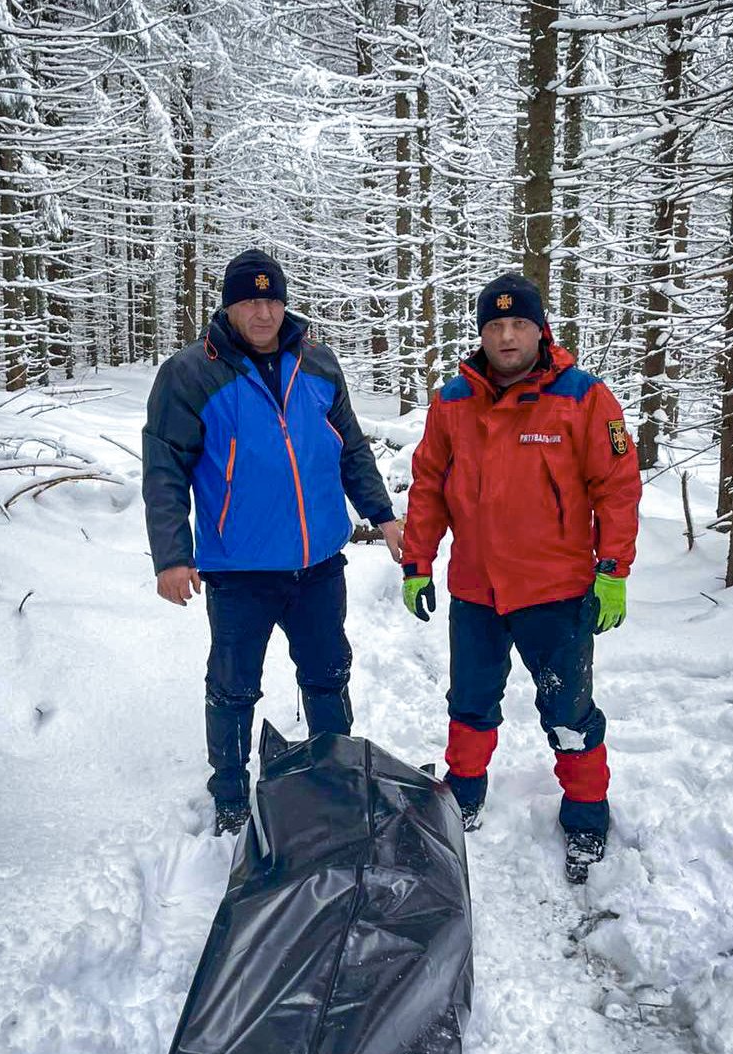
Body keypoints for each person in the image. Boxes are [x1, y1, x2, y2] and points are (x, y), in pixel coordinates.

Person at [143, 248, 402, 836]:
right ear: (229, 307)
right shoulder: (190, 374)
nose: (262, 312)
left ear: (284, 302)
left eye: (271, 298)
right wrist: (172, 556)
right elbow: (164, 468)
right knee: (233, 686)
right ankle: (231, 795)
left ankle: (335, 777)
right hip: (238, 571)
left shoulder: (318, 364)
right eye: (249, 300)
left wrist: (383, 516)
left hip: (317, 566)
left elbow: (352, 449)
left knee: (328, 673)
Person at [400, 272, 642, 883]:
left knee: (568, 708)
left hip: (555, 592)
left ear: (540, 329)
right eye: (495, 325)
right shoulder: (453, 401)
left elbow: (616, 487)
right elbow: (429, 484)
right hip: (477, 590)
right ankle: (465, 792)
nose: (506, 336)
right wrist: (417, 561)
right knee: (470, 701)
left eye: (518, 324)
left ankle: (587, 815)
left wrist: (612, 568)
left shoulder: (584, 397)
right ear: (481, 331)